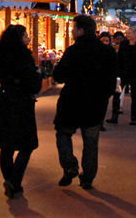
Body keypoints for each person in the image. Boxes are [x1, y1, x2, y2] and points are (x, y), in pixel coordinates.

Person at [53, 15, 117, 190]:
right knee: (91, 141)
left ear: (81, 30)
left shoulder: (73, 51)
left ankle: (69, 165)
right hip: (95, 104)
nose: (72, 31)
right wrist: (104, 95)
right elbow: (112, 80)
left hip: (71, 101)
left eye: (74, 28)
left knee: (63, 133)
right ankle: (87, 178)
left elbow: (59, 76)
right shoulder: (107, 52)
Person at [0, 24, 42, 199]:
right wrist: (37, 74)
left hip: (4, 106)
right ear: (19, 38)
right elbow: (34, 85)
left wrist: (0, 97)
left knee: (6, 146)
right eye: (25, 36)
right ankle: (14, 180)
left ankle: (10, 180)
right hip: (22, 105)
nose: (28, 39)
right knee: (28, 145)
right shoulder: (25, 57)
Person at [116, 27, 136, 125]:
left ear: (135, 34)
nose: (127, 35)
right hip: (123, 73)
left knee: (134, 96)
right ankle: (114, 116)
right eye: (127, 33)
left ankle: (134, 118)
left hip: (135, 74)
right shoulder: (124, 44)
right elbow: (119, 58)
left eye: (129, 33)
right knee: (117, 94)